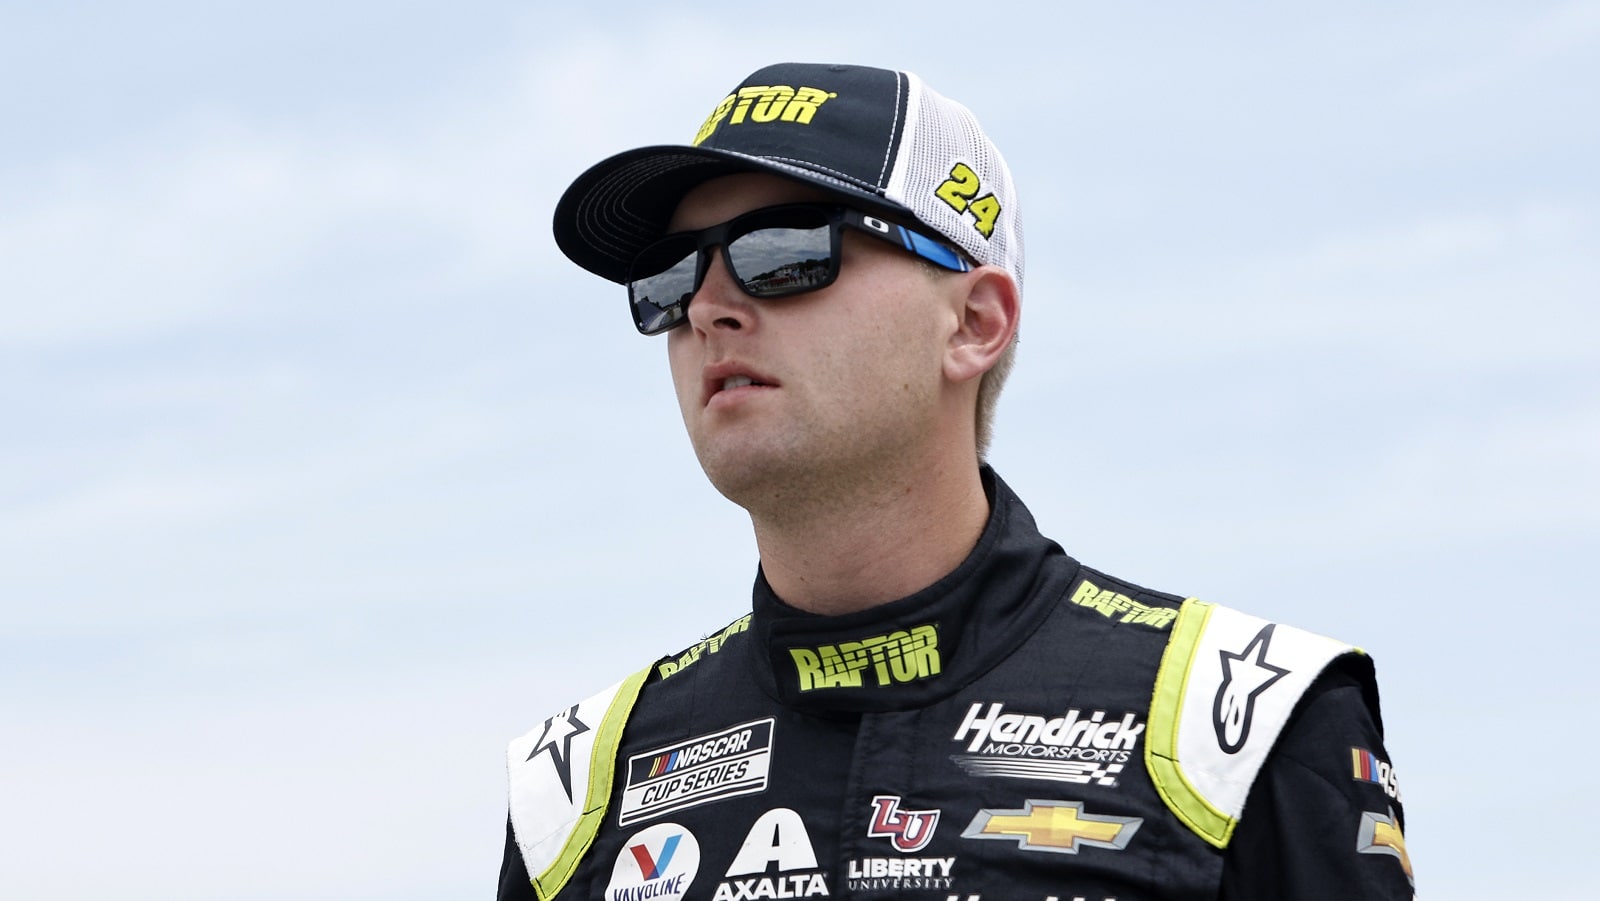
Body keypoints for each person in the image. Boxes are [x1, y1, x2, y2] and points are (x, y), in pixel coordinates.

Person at [499, 62, 1413, 901]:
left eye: (782, 251)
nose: (706, 306)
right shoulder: (576, 791)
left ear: (975, 322)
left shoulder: (1248, 723)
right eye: (671, 275)